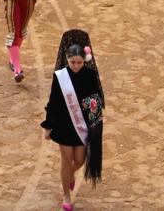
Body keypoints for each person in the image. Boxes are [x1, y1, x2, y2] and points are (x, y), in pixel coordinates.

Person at [41, 31, 105, 211]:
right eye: (72, 62)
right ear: (67, 60)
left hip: (82, 124)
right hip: (63, 124)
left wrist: (94, 121)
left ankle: (70, 176)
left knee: (80, 159)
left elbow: (95, 100)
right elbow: (53, 101)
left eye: (79, 62)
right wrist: (48, 125)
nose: (76, 66)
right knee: (66, 159)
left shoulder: (90, 75)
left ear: (84, 60)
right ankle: (66, 194)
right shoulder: (60, 76)